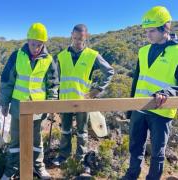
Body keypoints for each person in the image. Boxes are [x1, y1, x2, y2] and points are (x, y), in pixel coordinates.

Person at [123, 6, 178, 180]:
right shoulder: (143, 50)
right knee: (135, 147)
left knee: (157, 152)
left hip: (161, 111)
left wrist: (167, 92)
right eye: (146, 31)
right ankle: (132, 176)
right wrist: (130, 108)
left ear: (165, 28)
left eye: (152, 31)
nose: (148, 35)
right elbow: (137, 80)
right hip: (139, 108)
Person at [52, 24, 114, 176]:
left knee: (82, 131)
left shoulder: (92, 55)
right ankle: (63, 156)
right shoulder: (61, 56)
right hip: (65, 100)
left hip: (83, 101)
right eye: (75, 38)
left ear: (86, 37)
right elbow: (54, 79)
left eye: (81, 38)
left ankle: (81, 158)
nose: (78, 41)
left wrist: (97, 90)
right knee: (65, 130)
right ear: (71, 35)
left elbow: (109, 71)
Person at [0, 22, 59, 179]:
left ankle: (38, 166)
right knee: (15, 140)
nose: (36, 47)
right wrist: (4, 103)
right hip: (18, 107)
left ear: (43, 43)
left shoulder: (49, 60)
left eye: (39, 44)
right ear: (28, 41)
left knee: (36, 139)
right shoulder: (16, 56)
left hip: (38, 109)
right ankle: (12, 168)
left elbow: (53, 85)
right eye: (33, 44)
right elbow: (7, 81)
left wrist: (51, 104)